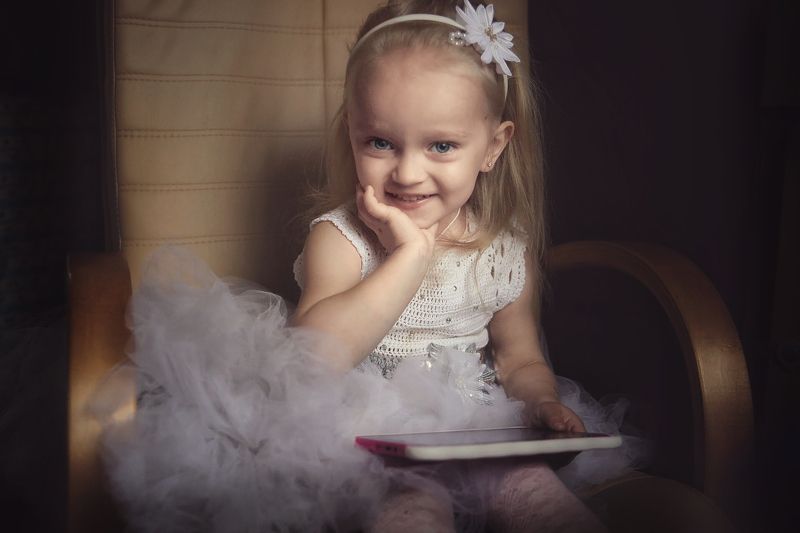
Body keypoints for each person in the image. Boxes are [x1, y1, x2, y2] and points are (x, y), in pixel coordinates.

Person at [96, 2, 644, 532]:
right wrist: (409, 256)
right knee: (409, 506)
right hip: (365, 436)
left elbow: (518, 358)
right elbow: (316, 355)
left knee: (535, 494)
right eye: (380, 142)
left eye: (442, 146)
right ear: (352, 133)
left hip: (473, 428)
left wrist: (543, 401)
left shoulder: (501, 250)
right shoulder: (340, 239)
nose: (407, 172)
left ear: (493, 147)